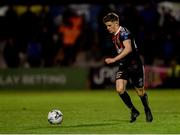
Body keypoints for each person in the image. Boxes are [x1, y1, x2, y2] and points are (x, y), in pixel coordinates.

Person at [103, 12, 153, 123]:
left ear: (116, 23)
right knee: (120, 89)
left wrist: (114, 59)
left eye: (109, 25)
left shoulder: (124, 33)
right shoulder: (115, 34)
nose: (107, 28)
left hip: (135, 65)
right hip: (124, 65)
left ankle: (147, 109)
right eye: (106, 26)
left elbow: (128, 48)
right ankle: (134, 110)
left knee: (140, 92)